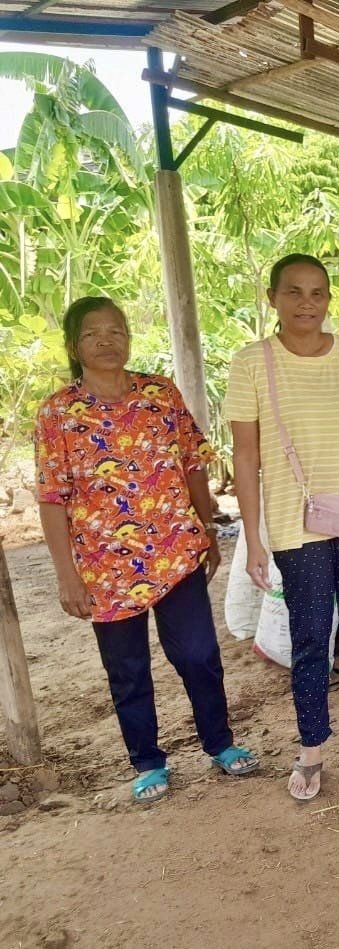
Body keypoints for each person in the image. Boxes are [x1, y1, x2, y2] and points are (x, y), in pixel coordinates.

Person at [35, 297, 258, 804]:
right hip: (103, 569)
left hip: (176, 552)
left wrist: (206, 526)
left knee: (200, 655)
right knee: (128, 670)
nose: (107, 340)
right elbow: (52, 497)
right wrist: (66, 575)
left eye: (117, 330)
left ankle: (220, 744)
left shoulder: (159, 393)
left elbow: (193, 462)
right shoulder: (57, 413)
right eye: (93, 333)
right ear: (75, 345)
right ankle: (149, 762)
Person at [226, 254, 339, 801]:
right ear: (273, 298)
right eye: (294, 292)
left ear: (328, 300)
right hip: (294, 525)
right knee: (310, 639)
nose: (306, 303)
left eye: (317, 293)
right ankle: (311, 748)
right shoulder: (251, 363)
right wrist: (253, 539)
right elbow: (244, 456)